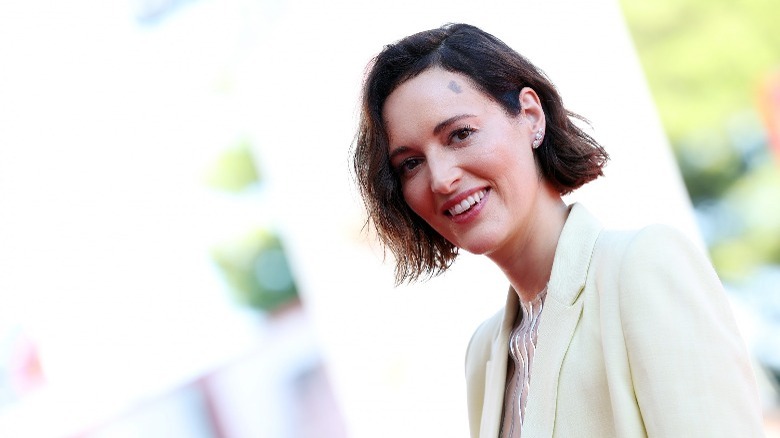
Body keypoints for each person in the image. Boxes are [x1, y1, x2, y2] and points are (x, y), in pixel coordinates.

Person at [352, 23, 764, 437]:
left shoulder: (642, 267)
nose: (440, 179)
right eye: (411, 163)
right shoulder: (484, 354)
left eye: (460, 134)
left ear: (530, 116)